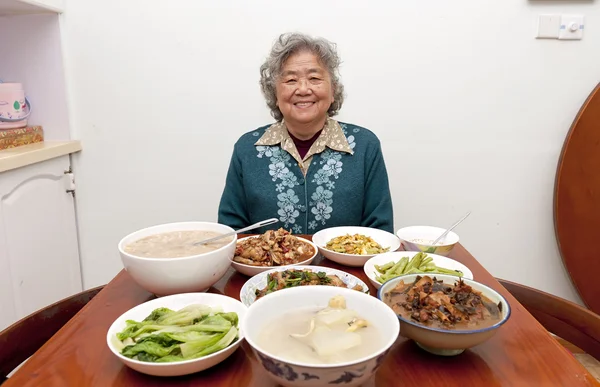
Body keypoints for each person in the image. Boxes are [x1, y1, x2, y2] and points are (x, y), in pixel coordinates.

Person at [218, 32, 394, 234]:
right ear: (274, 92)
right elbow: (231, 233)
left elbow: (381, 233)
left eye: (314, 78)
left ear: (333, 89)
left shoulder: (364, 146)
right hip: (266, 267)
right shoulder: (248, 148)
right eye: (291, 80)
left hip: (346, 267)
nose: (303, 89)